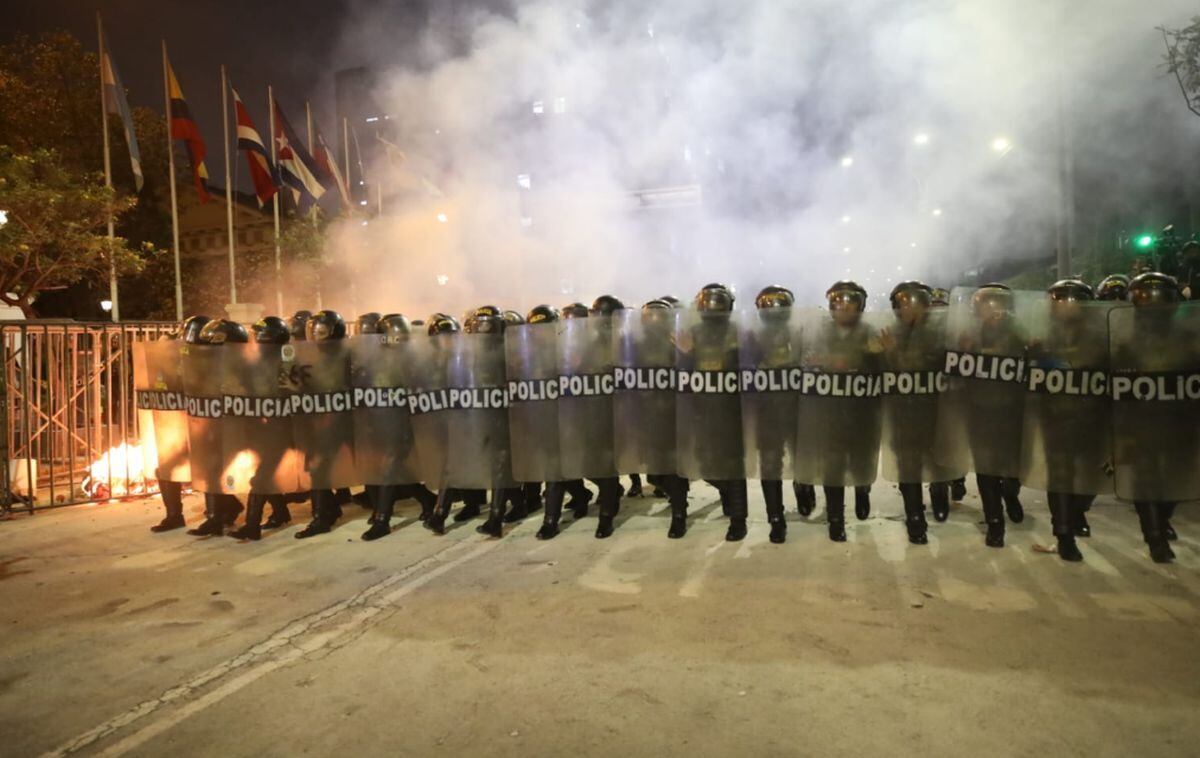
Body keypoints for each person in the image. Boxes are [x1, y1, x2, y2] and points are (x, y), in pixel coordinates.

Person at [1111, 272, 1197, 562]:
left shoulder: (1188, 339)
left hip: (1179, 422)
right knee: (1146, 477)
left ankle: (1162, 518)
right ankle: (1155, 537)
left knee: (1177, 477)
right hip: (1140, 422)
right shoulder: (1123, 342)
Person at [1023, 280, 1111, 561]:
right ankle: (1064, 535)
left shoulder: (1103, 337)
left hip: (1091, 417)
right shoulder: (1041, 337)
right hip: (1055, 416)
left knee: (1092, 474)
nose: (1061, 307)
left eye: (1067, 301)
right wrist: (1031, 354)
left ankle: (1075, 514)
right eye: (1057, 301)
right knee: (1061, 473)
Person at [795, 281, 883, 543]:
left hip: (860, 413)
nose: (843, 308)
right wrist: (815, 364)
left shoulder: (870, 332)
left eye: (850, 303)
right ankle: (836, 519)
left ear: (860, 307)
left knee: (859, 461)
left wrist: (879, 355)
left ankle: (862, 490)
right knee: (832, 465)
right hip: (830, 412)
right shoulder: (819, 333)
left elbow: (884, 373)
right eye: (838, 303)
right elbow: (805, 363)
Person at [878, 281, 959, 544]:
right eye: (902, 305)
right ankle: (915, 518)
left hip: (933, 411)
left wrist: (892, 353)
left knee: (937, 460)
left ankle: (939, 494)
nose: (908, 309)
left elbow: (921, 364)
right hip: (903, 413)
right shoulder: (891, 333)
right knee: (908, 466)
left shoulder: (939, 333)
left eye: (913, 304)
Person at [676, 283, 748, 541]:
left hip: (731, 410)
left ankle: (738, 520)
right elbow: (681, 374)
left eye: (718, 302)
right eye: (708, 302)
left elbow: (750, 368)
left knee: (733, 466)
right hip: (703, 410)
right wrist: (686, 354)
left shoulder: (738, 332)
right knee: (705, 464)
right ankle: (726, 492)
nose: (713, 307)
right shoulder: (693, 334)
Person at [741, 285, 799, 543]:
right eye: (767, 304)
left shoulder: (799, 333)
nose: (773, 309)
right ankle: (775, 518)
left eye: (778, 304)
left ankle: (803, 487)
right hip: (767, 412)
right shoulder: (752, 337)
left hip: (795, 409)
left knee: (802, 458)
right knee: (769, 464)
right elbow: (743, 370)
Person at [294, 310, 356, 538]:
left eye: (321, 332)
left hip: (345, 417)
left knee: (372, 462)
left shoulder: (347, 353)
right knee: (318, 467)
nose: (315, 336)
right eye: (313, 331)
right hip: (321, 419)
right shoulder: (308, 355)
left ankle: (325, 515)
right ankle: (324, 514)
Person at [184, 319, 248, 536]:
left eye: (218, 338)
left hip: (238, 427)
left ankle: (224, 513)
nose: (211, 341)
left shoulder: (244, 362)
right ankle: (219, 514)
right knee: (211, 468)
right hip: (215, 424)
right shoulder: (211, 361)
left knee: (221, 471)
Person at [145, 314, 207, 532]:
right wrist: (165, 347)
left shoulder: (212, 357)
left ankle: (222, 511)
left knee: (209, 468)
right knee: (166, 468)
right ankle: (174, 515)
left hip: (205, 428)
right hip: (181, 424)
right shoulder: (179, 356)